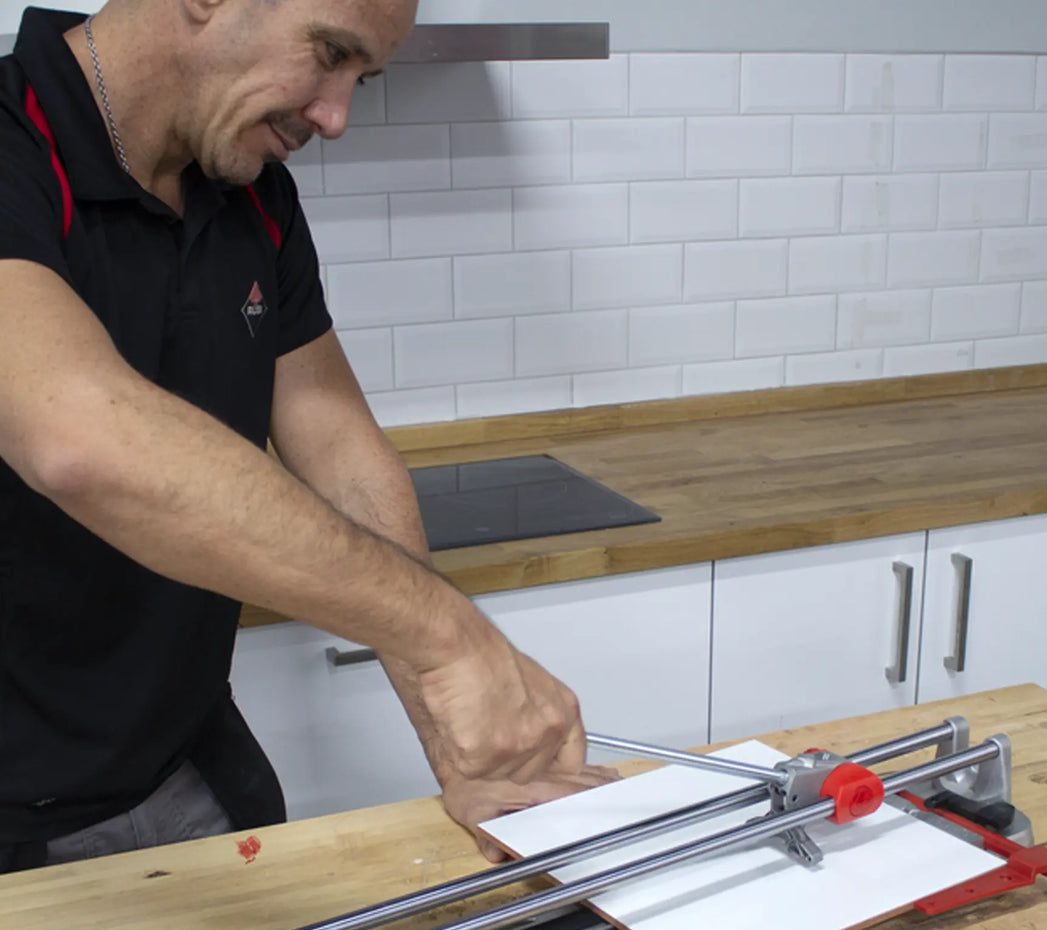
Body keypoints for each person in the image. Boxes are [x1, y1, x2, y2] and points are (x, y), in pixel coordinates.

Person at [0, 0, 611, 873]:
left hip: (188, 768)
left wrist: (457, 736)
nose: (335, 116)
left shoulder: (252, 192)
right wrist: (447, 635)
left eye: (362, 77)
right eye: (329, 54)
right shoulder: (15, 146)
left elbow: (336, 443)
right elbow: (78, 436)